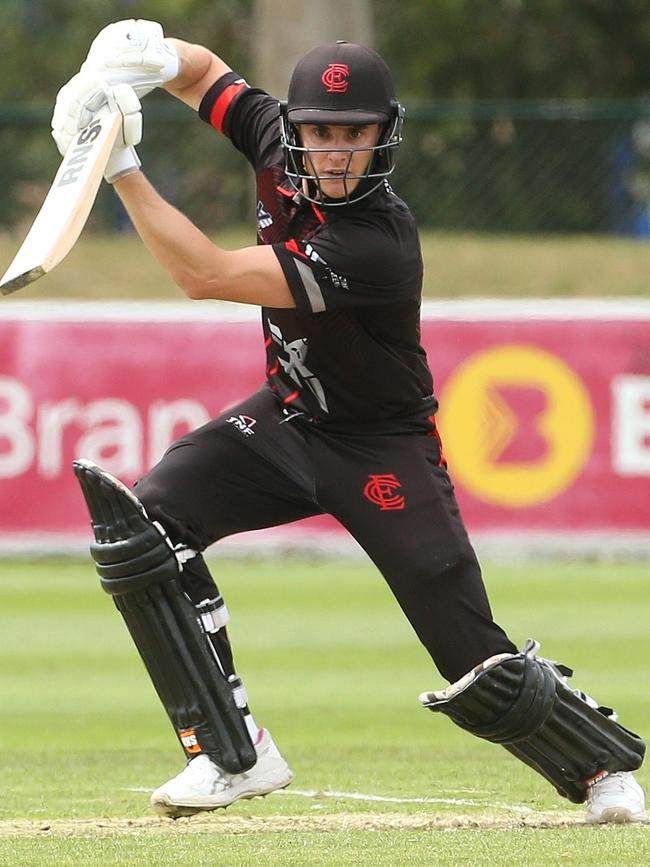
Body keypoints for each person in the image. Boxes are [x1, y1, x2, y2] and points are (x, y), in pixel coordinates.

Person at [52, 20, 646, 823]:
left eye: (353, 135)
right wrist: (144, 58)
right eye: (319, 132)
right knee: (149, 524)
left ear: (382, 137)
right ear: (294, 129)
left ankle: (603, 768)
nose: (333, 151)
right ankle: (233, 752)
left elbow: (207, 274)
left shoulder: (379, 241)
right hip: (290, 418)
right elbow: (205, 75)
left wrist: (118, 164)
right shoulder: (274, 136)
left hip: (381, 447)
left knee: (470, 654)